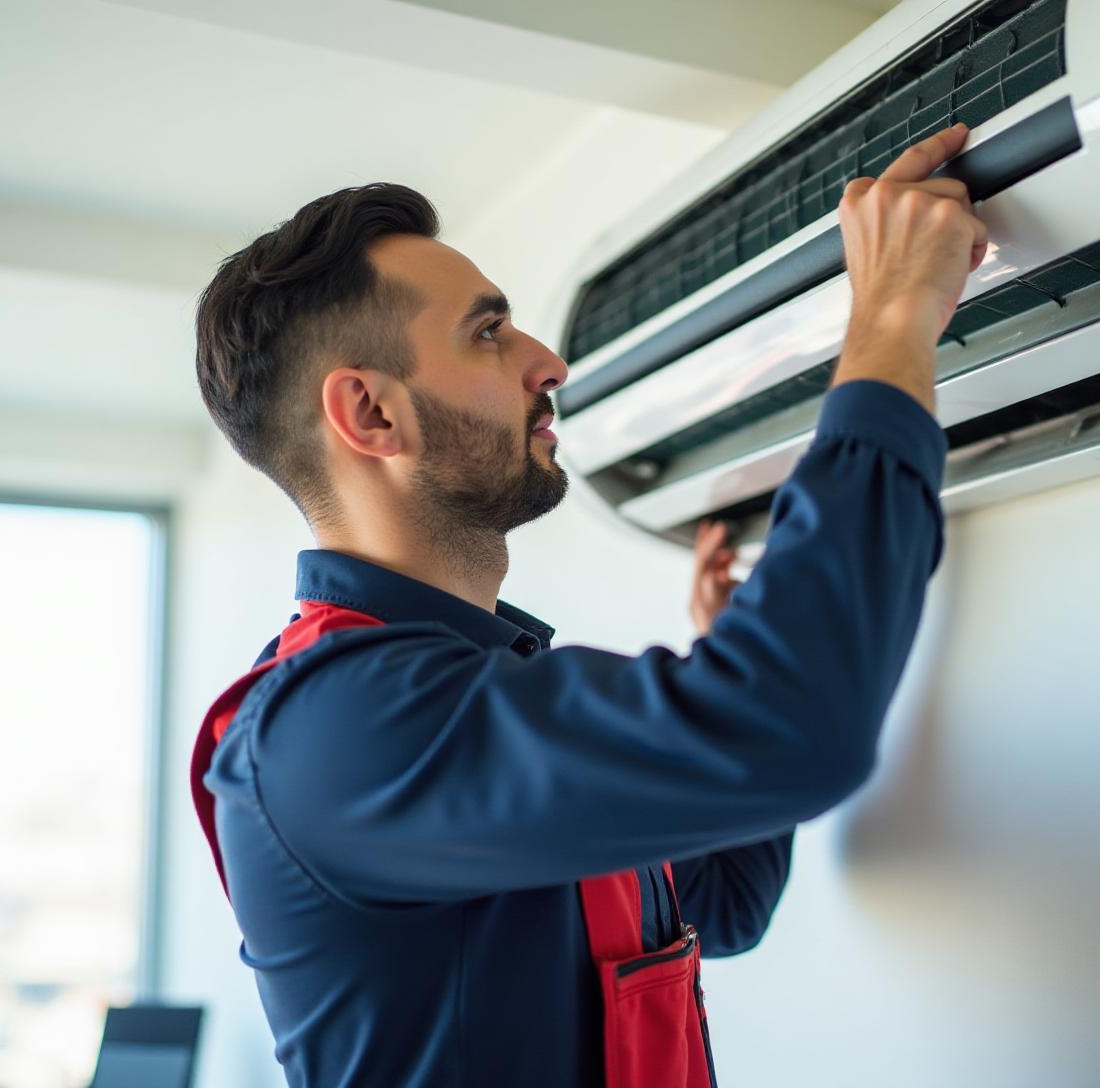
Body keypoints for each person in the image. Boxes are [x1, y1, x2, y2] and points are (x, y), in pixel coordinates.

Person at [189, 122, 988, 1087]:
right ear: (371, 414)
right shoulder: (336, 728)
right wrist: (893, 318)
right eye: (487, 332)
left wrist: (737, 643)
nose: (547, 363)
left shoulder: (470, 707)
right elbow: (791, 734)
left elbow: (722, 902)